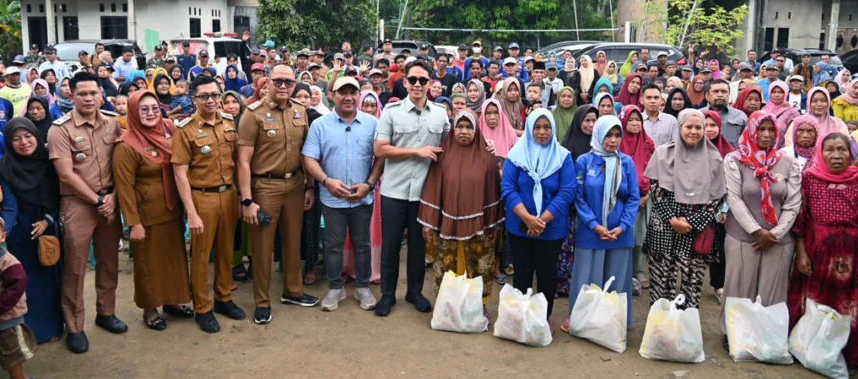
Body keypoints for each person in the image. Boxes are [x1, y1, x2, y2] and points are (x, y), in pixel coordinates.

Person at [47, 72, 126, 353]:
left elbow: (122, 164)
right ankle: (75, 325)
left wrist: (114, 197)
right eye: (83, 94)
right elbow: (66, 174)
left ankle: (106, 312)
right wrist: (96, 200)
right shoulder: (61, 129)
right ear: (71, 95)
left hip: (110, 203)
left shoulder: (113, 123)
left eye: (94, 93)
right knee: (76, 267)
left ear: (101, 94)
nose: (89, 98)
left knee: (108, 261)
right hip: (78, 205)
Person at [236, 65, 319, 324]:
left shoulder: (300, 111)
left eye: (288, 82)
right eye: (278, 81)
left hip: (294, 184)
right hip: (265, 188)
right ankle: (262, 301)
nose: (283, 86)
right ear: (267, 82)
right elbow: (243, 161)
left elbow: (306, 154)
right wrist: (247, 200)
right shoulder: (253, 114)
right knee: (263, 247)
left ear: (294, 85)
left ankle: (292, 291)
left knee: (293, 240)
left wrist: (309, 186)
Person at [373, 60, 450, 317]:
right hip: (394, 191)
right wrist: (416, 151)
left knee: (419, 246)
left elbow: (451, 149)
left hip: (424, 194)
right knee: (391, 245)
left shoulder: (440, 113)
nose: (417, 85)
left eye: (423, 80)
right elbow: (380, 149)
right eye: (413, 80)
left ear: (430, 84)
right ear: (404, 82)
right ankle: (387, 295)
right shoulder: (391, 113)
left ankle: (414, 292)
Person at [720, 110, 801, 349]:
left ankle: (766, 337)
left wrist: (775, 234)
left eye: (771, 130)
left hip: (779, 240)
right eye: (761, 129)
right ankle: (733, 333)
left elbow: (794, 202)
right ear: (751, 130)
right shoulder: (735, 160)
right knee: (739, 287)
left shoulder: (788, 162)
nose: (766, 135)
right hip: (742, 236)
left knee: (772, 290)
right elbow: (734, 199)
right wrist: (757, 231)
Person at [114, 90, 193, 331]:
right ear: (133, 113)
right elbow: (124, 188)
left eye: (154, 108)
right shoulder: (126, 144)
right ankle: (150, 310)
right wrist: (133, 223)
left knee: (174, 260)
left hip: (171, 211)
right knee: (148, 265)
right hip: (147, 216)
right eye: (143, 109)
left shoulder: (168, 131)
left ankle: (173, 301)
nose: (150, 113)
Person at [171, 75, 245, 333]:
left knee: (226, 250)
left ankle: (223, 298)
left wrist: (240, 196)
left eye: (215, 95)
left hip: (228, 196)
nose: (211, 100)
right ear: (194, 99)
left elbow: (237, 163)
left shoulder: (229, 123)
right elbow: (180, 173)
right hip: (201, 197)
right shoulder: (185, 129)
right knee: (202, 256)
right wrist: (191, 212)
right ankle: (203, 307)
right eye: (204, 96)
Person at [302, 77, 381, 312]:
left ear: (359, 95)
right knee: (333, 245)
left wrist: (369, 183)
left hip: (362, 196)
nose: (348, 97)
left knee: (362, 244)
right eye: (342, 92)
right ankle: (335, 288)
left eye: (352, 92)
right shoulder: (320, 125)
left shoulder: (373, 124)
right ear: (332, 95)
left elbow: (381, 158)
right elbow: (309, 158)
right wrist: (326, 181)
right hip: (332, 197)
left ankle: (363, 286)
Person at [559, 113, 640, 332]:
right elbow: (579, 197)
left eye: (617, 135)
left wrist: (622, 226)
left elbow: (633, 197)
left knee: (617, 279)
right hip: (591, 232)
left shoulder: (627, 162)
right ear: (598, 135)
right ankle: (583, 321)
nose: (613, 140)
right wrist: (595, 225)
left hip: (619, 233)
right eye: (608, 135)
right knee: (587, 278)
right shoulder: (585, 161)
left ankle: (614, 321)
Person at [419, 109, 503, 317]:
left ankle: (479, 304)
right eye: (460, 126)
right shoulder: (442, 156)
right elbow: (433, 187)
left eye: (469, 127)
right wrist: (429, 222)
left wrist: (493, 224)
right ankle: (447, 304)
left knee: (480, 263)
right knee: (446, 261)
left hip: (479, 225)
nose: (464, 131)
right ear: (453, 128)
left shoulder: (487, 159)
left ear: (476, 130)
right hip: (446, 224)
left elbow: (492, 192)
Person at [788, 132, 858, 369]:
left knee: (846, 304)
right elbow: (801, 219)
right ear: (820, 152)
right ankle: (809, 349)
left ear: (851, 153)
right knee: (815, 302)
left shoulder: (857, 179)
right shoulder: (809, 178)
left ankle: (845, 352)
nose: (836, 155)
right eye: (830, 150)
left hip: (851, 257)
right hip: (817, 253)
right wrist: (802, 253)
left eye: (842, 150)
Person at [643, 109, 726, 309]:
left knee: (692, 286)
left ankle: (686, 335)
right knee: (661, 285)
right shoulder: (663, 153)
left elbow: (717, 198)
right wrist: (672, 219)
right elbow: (655, 190)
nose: (693, 131)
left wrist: (691, 223)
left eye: (699, 127)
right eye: (688, 127)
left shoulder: (714, 159)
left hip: (696, 230)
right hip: (664, 226)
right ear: (680, 128)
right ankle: (660, 332)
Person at [502, 108, 576, 321]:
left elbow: (567, 191)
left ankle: (542, 319)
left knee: (546, 275)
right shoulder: (517, 154)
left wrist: (541, 220)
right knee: (522, 274)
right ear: (529, 128)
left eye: (547, 127)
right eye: (537, 127)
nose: (542, 132)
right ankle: (521, 318)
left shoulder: (562, 157)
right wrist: (527, 217)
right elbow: (508, 188)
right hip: (519, 226)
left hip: (550, 228)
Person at [0, 117, 62, 344]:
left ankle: (52, 326)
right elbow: (9, 204)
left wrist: (47, 219)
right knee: (27, 281)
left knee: (50, 279)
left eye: (27, 136)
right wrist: (5, 229)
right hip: (20, 232)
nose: (23, 142)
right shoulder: (5, 167)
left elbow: (60, 195)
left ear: (36, 136)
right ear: (8, 141)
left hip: (48, 228)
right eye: (16, 139)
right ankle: (32, 330)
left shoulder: (49, 161)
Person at [618, 105, 655, 295]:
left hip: (645, 198)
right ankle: (622, 270)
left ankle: (638, 270)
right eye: (630, 120)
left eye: (637, 120)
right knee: (624, 233)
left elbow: (656, 173)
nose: (634, 124)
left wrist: (646, 196)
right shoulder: (617, 144)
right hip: (621, 199)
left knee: (640, 235)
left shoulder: (649, 143)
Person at [0, 217, 37, 379]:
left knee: (13, 356)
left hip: (7, 320)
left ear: (2, 236)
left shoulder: (8, 262)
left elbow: (17, 287)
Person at [701, 79, 748, 147]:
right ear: (707, 95)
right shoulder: (698, 115)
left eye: (724, 92)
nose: (720, 95)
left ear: (729, 94)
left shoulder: (740, 116)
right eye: (715, 92)